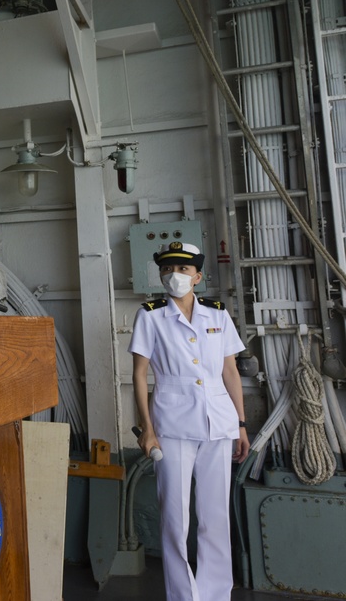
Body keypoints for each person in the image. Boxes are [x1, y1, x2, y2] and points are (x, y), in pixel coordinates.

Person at [128, 241, 249, 601]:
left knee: (214, 518)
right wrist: (147, 429)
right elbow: (139, 374)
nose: (174, 276)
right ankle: (183, 596)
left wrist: (241, 424)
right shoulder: (150, 315)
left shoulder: (218, 313)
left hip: (218, 422)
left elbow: (230, 371)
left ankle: (215, 594)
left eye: (182, 269)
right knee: (174, 520)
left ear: (197, 276)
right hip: (173, 424)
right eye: (167, 269)